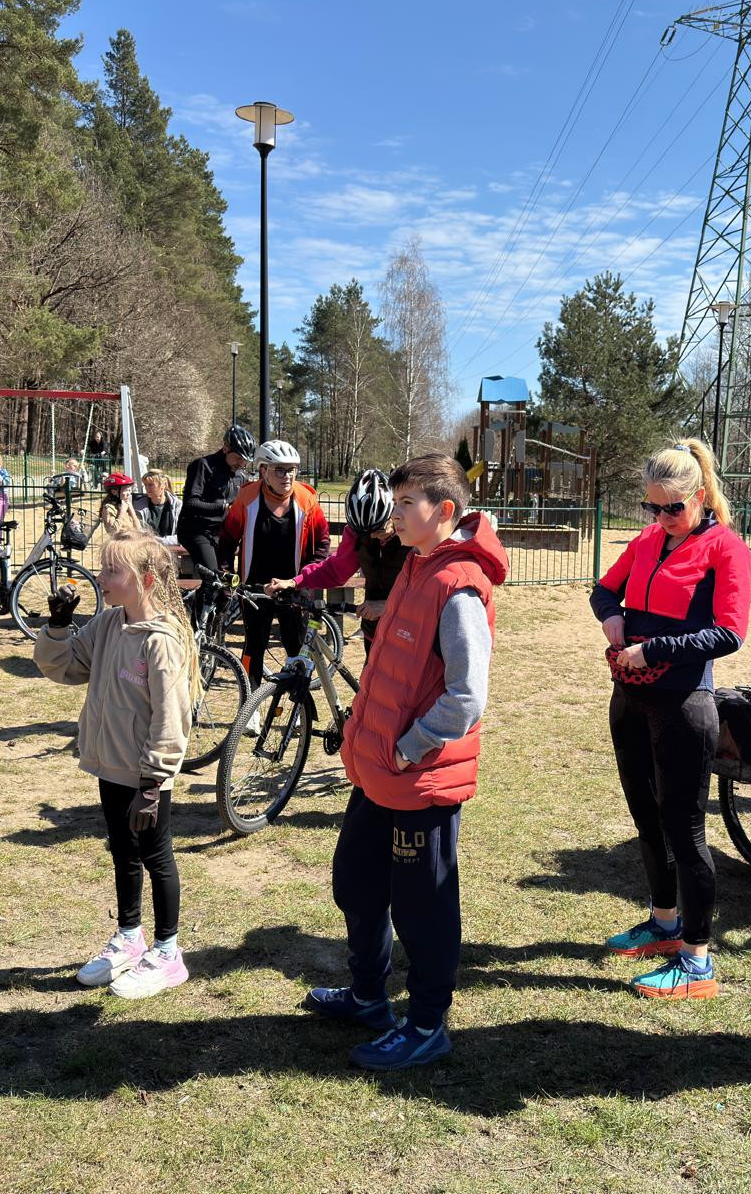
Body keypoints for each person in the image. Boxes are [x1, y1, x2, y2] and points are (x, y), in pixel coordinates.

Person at [306, 454, 508, 1071]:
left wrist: (409, 745)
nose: (393, 516)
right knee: (356, 882)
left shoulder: (459, 585)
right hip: (378, 773)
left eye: (404, 505)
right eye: (394, 505)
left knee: (424, 909)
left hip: (420, 779)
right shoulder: (417, 565)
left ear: (443, 510)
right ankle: (369, 995)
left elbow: (467, 696)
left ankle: (425, 1026)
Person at [589, 439, 751, 1001]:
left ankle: (697, 961)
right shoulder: (648, 540)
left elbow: (729, 633)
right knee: (646, 815)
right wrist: (611, 617)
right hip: (630, 697)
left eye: (672, 508)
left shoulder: (726, 548)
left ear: (700, 497)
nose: (661, 517)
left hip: (683, 704)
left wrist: (653, 650)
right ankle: (663, 923)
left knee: (685, 829)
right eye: (652, 506)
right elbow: (603, 589)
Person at [35, 529, 196, 1000]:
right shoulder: (108, 624)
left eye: (111, 570)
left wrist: (153, 782)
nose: (101, 577)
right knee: (122, 852)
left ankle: (168, 953)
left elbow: (172, 717)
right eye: (102, 568)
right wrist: (58, 626)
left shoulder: (162, 641)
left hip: (146, 775)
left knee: (156, 857)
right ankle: (130, 936)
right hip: (110, 765)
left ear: (145, 579)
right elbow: (65, 667)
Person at [267, 468, 410, 657]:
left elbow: (432, 591)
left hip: (410, 634)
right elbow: (336, 570)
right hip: (375, 631)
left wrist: (388, 606)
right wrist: (294, 582)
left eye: (379, 529)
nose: (373, 536)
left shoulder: (417, 537)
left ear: (395, 510)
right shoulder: (359, 533)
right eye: (366, 532)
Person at [218, 439, 329, 678]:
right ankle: (250, 694)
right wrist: (227, 574)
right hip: (255, 587)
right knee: (253, 646)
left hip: (293, 586)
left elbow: (322, 543)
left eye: (292, 469)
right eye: (279, 469)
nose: (287, 476)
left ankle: (298, 699)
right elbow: (227, 538)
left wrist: (306, 578)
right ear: (263, 471)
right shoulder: (247, 496)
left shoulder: (307, 499)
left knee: (296, 648)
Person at [178, 425, 255, 576]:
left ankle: (207, 591)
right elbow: (190, 502)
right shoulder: (203, 466)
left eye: (245, 461)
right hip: (196, 530)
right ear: (226, 448)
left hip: (221, 532)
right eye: (238, 458)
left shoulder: (240, 476)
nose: (241, 464)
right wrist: (223, 507)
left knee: (227, 578)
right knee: (214, 577)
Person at [132, 469, 181, 546]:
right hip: (146, 547)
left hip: (171, 548)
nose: (147, 488)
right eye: (145, 485)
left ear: (163, 485)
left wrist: (162, 541)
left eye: (151, 485)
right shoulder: (138, 505)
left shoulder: (178, 506)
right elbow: (135, 531)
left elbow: (184, 535)